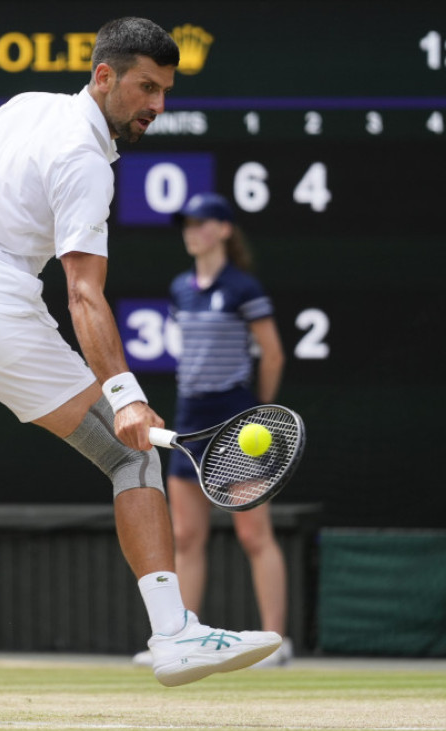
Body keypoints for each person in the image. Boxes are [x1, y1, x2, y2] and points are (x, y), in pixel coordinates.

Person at [0, 18, 281, 724]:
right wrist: (126, 398)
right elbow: (84, 295)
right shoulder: (87, 162)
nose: (155, 105)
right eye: (144, 87)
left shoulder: (28, 105)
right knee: (133, 460)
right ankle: (174, 632)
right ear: (104, 77)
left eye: (165, 92)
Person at [133, 192, 291, 668]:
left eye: (202, 223)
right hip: (189, 420)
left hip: (237, 422)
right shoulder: (181, 287)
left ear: (224, 229)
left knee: (253, 535)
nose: (192, 230)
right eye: (188, 223)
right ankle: (178, 639)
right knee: (185, 537)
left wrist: (255, 413)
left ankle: (278, 644)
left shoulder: (243, 287)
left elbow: (274, 354)